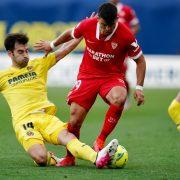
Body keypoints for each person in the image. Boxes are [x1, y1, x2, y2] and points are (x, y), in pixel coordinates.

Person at [34, 3, 146, 166]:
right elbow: (70, 33)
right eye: (103, 25)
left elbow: (140, 60)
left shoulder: (126, 35)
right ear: (98, 19)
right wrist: (51, 45)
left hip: (111, 77)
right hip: (87, 76)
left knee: (120, 97)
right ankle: (70, 158)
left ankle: (100, 140)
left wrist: (139, 88)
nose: (105, 29)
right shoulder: (88, 25)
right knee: (74, 119)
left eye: (110, 26)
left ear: (116, 20)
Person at [0, 33, 119, 168]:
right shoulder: (3, 77)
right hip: (24, 122)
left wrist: (82, 33)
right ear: (10, 54)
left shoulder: (39, 64)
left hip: (46, 118)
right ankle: (52, 158)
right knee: (40, 158)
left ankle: (97, 157)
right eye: (20, 52)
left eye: (27, 51)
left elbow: (64, 50)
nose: (26, 55)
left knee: (69, 138)